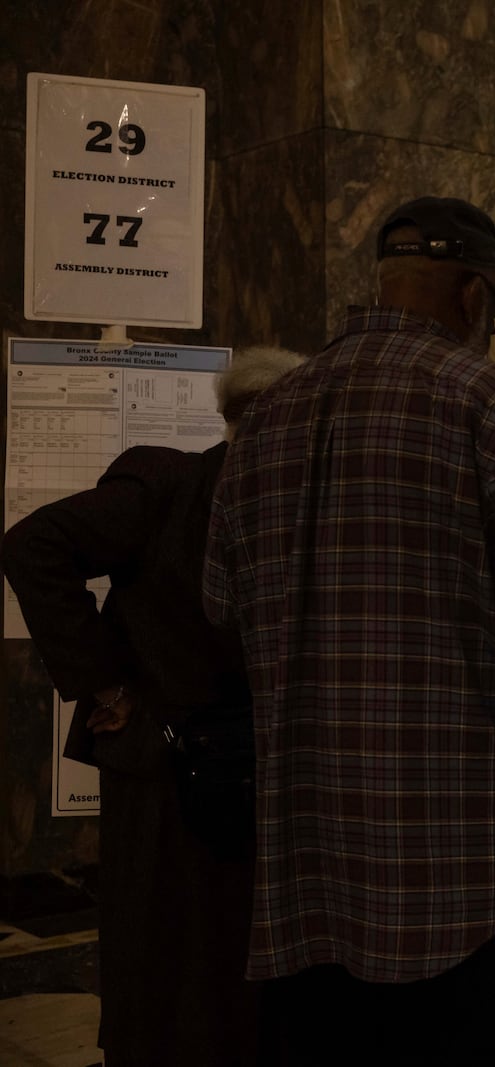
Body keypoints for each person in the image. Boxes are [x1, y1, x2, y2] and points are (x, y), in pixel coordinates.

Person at [202, 196, 495, 1066]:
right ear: (474, 297)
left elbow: (222, 605)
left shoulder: (267, 419)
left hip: (306, 859)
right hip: (458, 875)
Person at [1, 344, 306, 1066]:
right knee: (164, 955)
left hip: (252, 769)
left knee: (233, 960)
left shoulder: (300, 503)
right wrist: (105, 683)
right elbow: (33, 545)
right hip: (165, 765)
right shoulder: (171, 483)